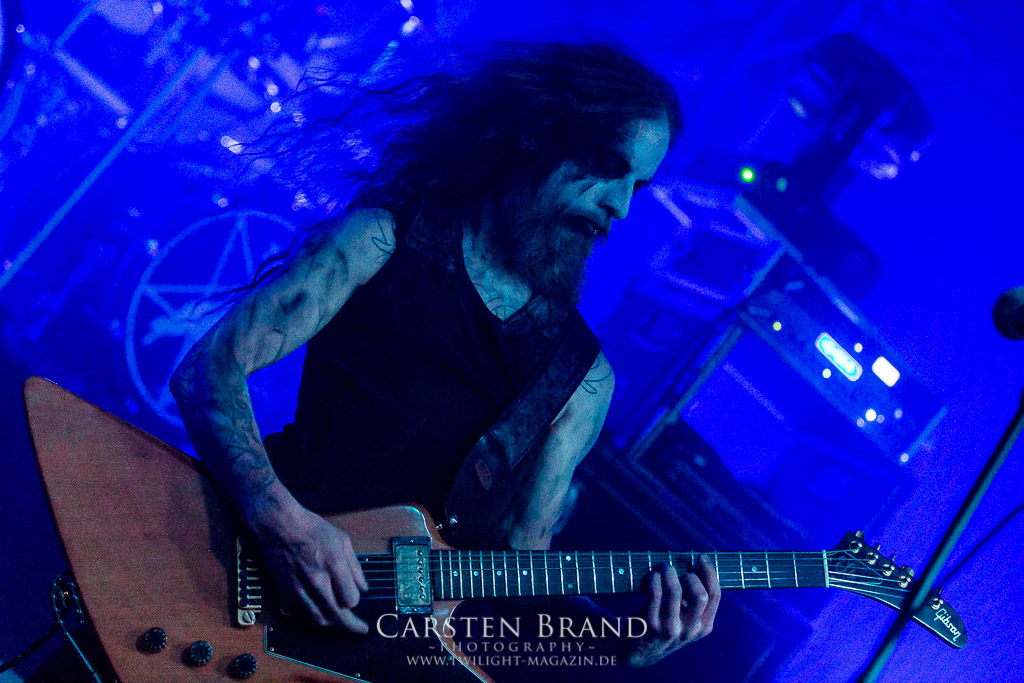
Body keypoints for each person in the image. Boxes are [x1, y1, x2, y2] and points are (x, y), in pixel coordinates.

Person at [169, 40, 720, 675]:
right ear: (540, 136)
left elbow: (515, 584)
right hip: (226, 576)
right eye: (607, 165)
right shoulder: (380, 243)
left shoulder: (582, 381)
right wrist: (279, 519)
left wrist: (623, 642)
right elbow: (207, 371)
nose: (618, 206)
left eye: (637, 187)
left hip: (369, 660)